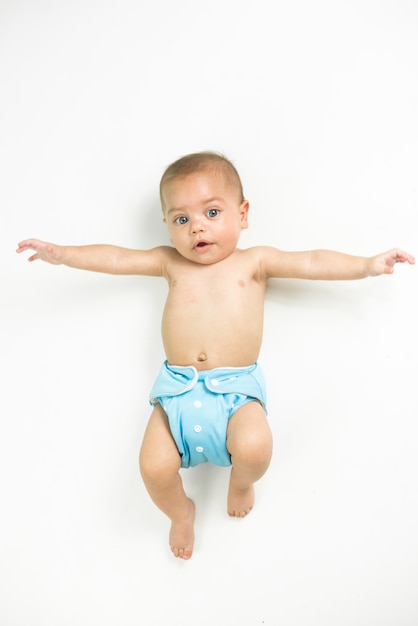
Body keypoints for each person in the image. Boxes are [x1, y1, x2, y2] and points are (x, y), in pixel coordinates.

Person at [17, 151, 414, 560]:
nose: (197, 228)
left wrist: (367, 264)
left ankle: (241, 482)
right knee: (153, 468)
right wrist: (63, 254)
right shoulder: (169, 262)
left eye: (211, 212)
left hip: (236, 393)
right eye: (182, 219)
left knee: (257, 449)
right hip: (176, 392)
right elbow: (117, 258)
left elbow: (312, 261)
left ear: (242, 214)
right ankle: (180, 512)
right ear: (168, 227)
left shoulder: (254, 262)